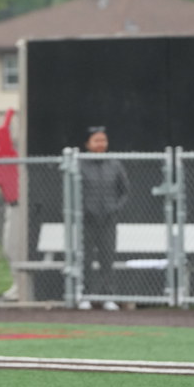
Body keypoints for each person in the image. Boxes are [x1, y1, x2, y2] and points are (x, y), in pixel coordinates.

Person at [78, 126, 129, 311]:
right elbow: (73, 192)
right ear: (87, 144)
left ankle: (108, 297)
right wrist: (85, 209)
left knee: (107, 259)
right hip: (87, 221)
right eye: (96, 140)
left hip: (108, 220)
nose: (101, 144)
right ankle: (84, 295)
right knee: (86, 259)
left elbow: (124, 191)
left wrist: (114, 209)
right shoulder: (79, 164)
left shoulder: (114, 165)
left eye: (103, 140)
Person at [0, 108, 20, 300]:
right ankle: (16, 284)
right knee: (8, 247)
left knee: (14, 246)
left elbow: (4, 132)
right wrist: (8, 116)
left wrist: (9, 116)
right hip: (10, 205)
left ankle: (19, 285)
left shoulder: (8, 152)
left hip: (18, 207)